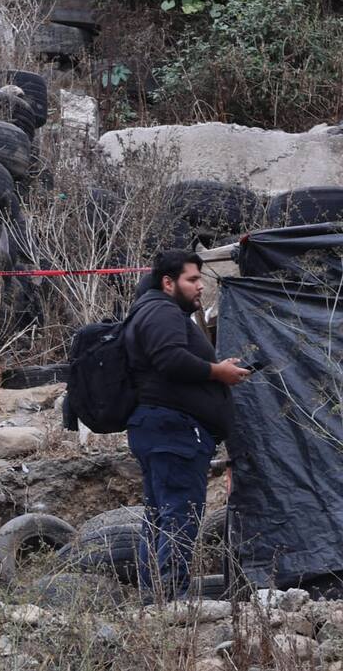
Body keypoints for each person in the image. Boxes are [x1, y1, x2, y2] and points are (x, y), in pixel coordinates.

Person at [125, 249, 251, 599]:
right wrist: (217, 372)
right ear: (169, 282)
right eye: (192, 279)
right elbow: (169, 360)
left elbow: (172, 360)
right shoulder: (163, 312)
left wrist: (214, 370)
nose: (200, 287)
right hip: (174, 431)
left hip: (161, 429)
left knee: (161, 516)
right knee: (180, 517)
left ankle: (154, 599)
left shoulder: (153, 311)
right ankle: (169, 601)